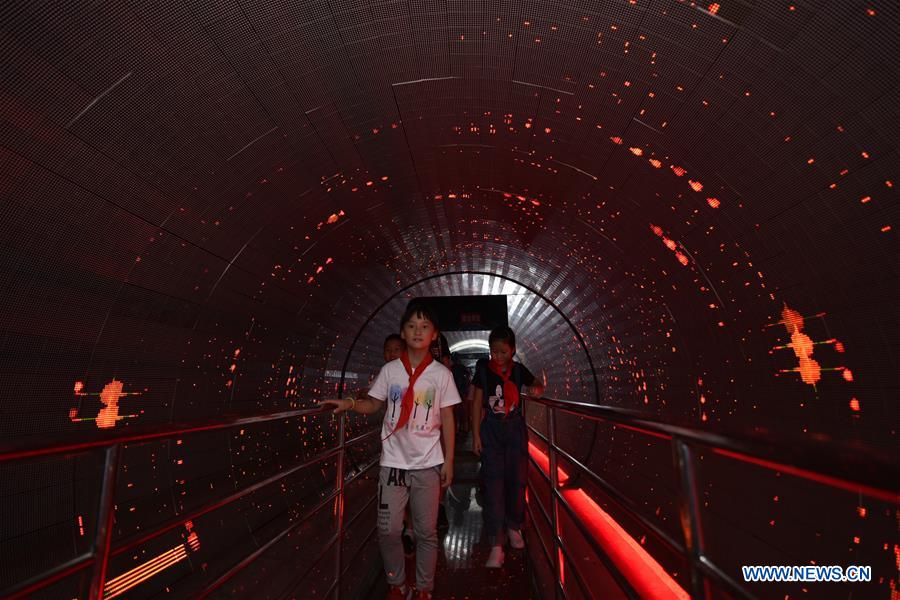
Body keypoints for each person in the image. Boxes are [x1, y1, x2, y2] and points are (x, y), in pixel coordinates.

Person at [320, 303, 460, 599]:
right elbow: (374, 404)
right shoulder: (390, 371)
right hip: (393, 463)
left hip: (427, 464)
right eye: (411, 326)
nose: (417, 331)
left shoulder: (441, 375)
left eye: (424, 326)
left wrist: (449, 460)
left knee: (426, 532)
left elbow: (448, 418)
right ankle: (397, 583)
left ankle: (424, 588)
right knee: (388, 530)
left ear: (434, 335)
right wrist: (349, 404)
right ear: (402, 332)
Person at [471, 326, 545, 568]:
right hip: (491, 430)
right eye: (494, 351)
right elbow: (477, 403)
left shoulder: (519, 370)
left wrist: (536, 389)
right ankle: (496, 543)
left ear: (512, 350)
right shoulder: (484, 371)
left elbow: (537, 383)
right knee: (493, 485)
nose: (498, 356)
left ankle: (514, 526)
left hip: (514, 430)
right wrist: (476, 435)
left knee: (517, 480)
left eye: (503, 352)